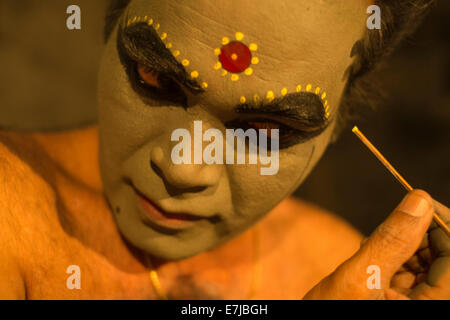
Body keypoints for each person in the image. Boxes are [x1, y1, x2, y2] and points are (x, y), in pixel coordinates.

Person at [0, 0, 448, 299]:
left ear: (339, 124)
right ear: (108, 28)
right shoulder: (10, 222)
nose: (183, 168)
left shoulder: (342, 266)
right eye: (155, 78)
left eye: (264, 131)